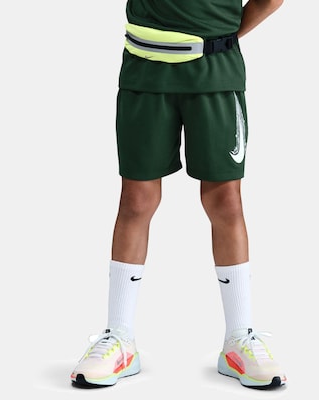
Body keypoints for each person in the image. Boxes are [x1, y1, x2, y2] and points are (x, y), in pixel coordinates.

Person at [71, 0, 286, 389]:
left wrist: (221, 36)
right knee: (136, 200)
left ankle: (239, 338)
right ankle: (120, 337)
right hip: (145, 68)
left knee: (225, 201)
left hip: (215, 70)